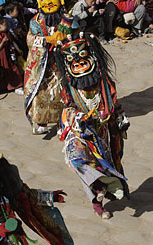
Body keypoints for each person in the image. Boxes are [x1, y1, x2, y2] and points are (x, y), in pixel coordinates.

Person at [54, 32, 130, 219]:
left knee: (103, 162)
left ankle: (100, 195)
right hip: (79, 131)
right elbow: (68, 108)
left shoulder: (104, 82)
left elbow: (113, 103)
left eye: (82, 57)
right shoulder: (69, 87)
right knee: (78, 160)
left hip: (102, 131)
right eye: (72, 60)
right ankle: (98, 192)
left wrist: (119, 116)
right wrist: (77, 118)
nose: (78, 63)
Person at [23, 0, 68, 135]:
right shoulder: (35, 21)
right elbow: (30, 40)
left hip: (61, 62)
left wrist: (64, 37)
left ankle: (63, 121)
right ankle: (40, 122)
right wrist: (46, 40)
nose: (48, 2)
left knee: (63, 92)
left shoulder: (65, 19)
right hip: (42, 64)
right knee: (39, 93)